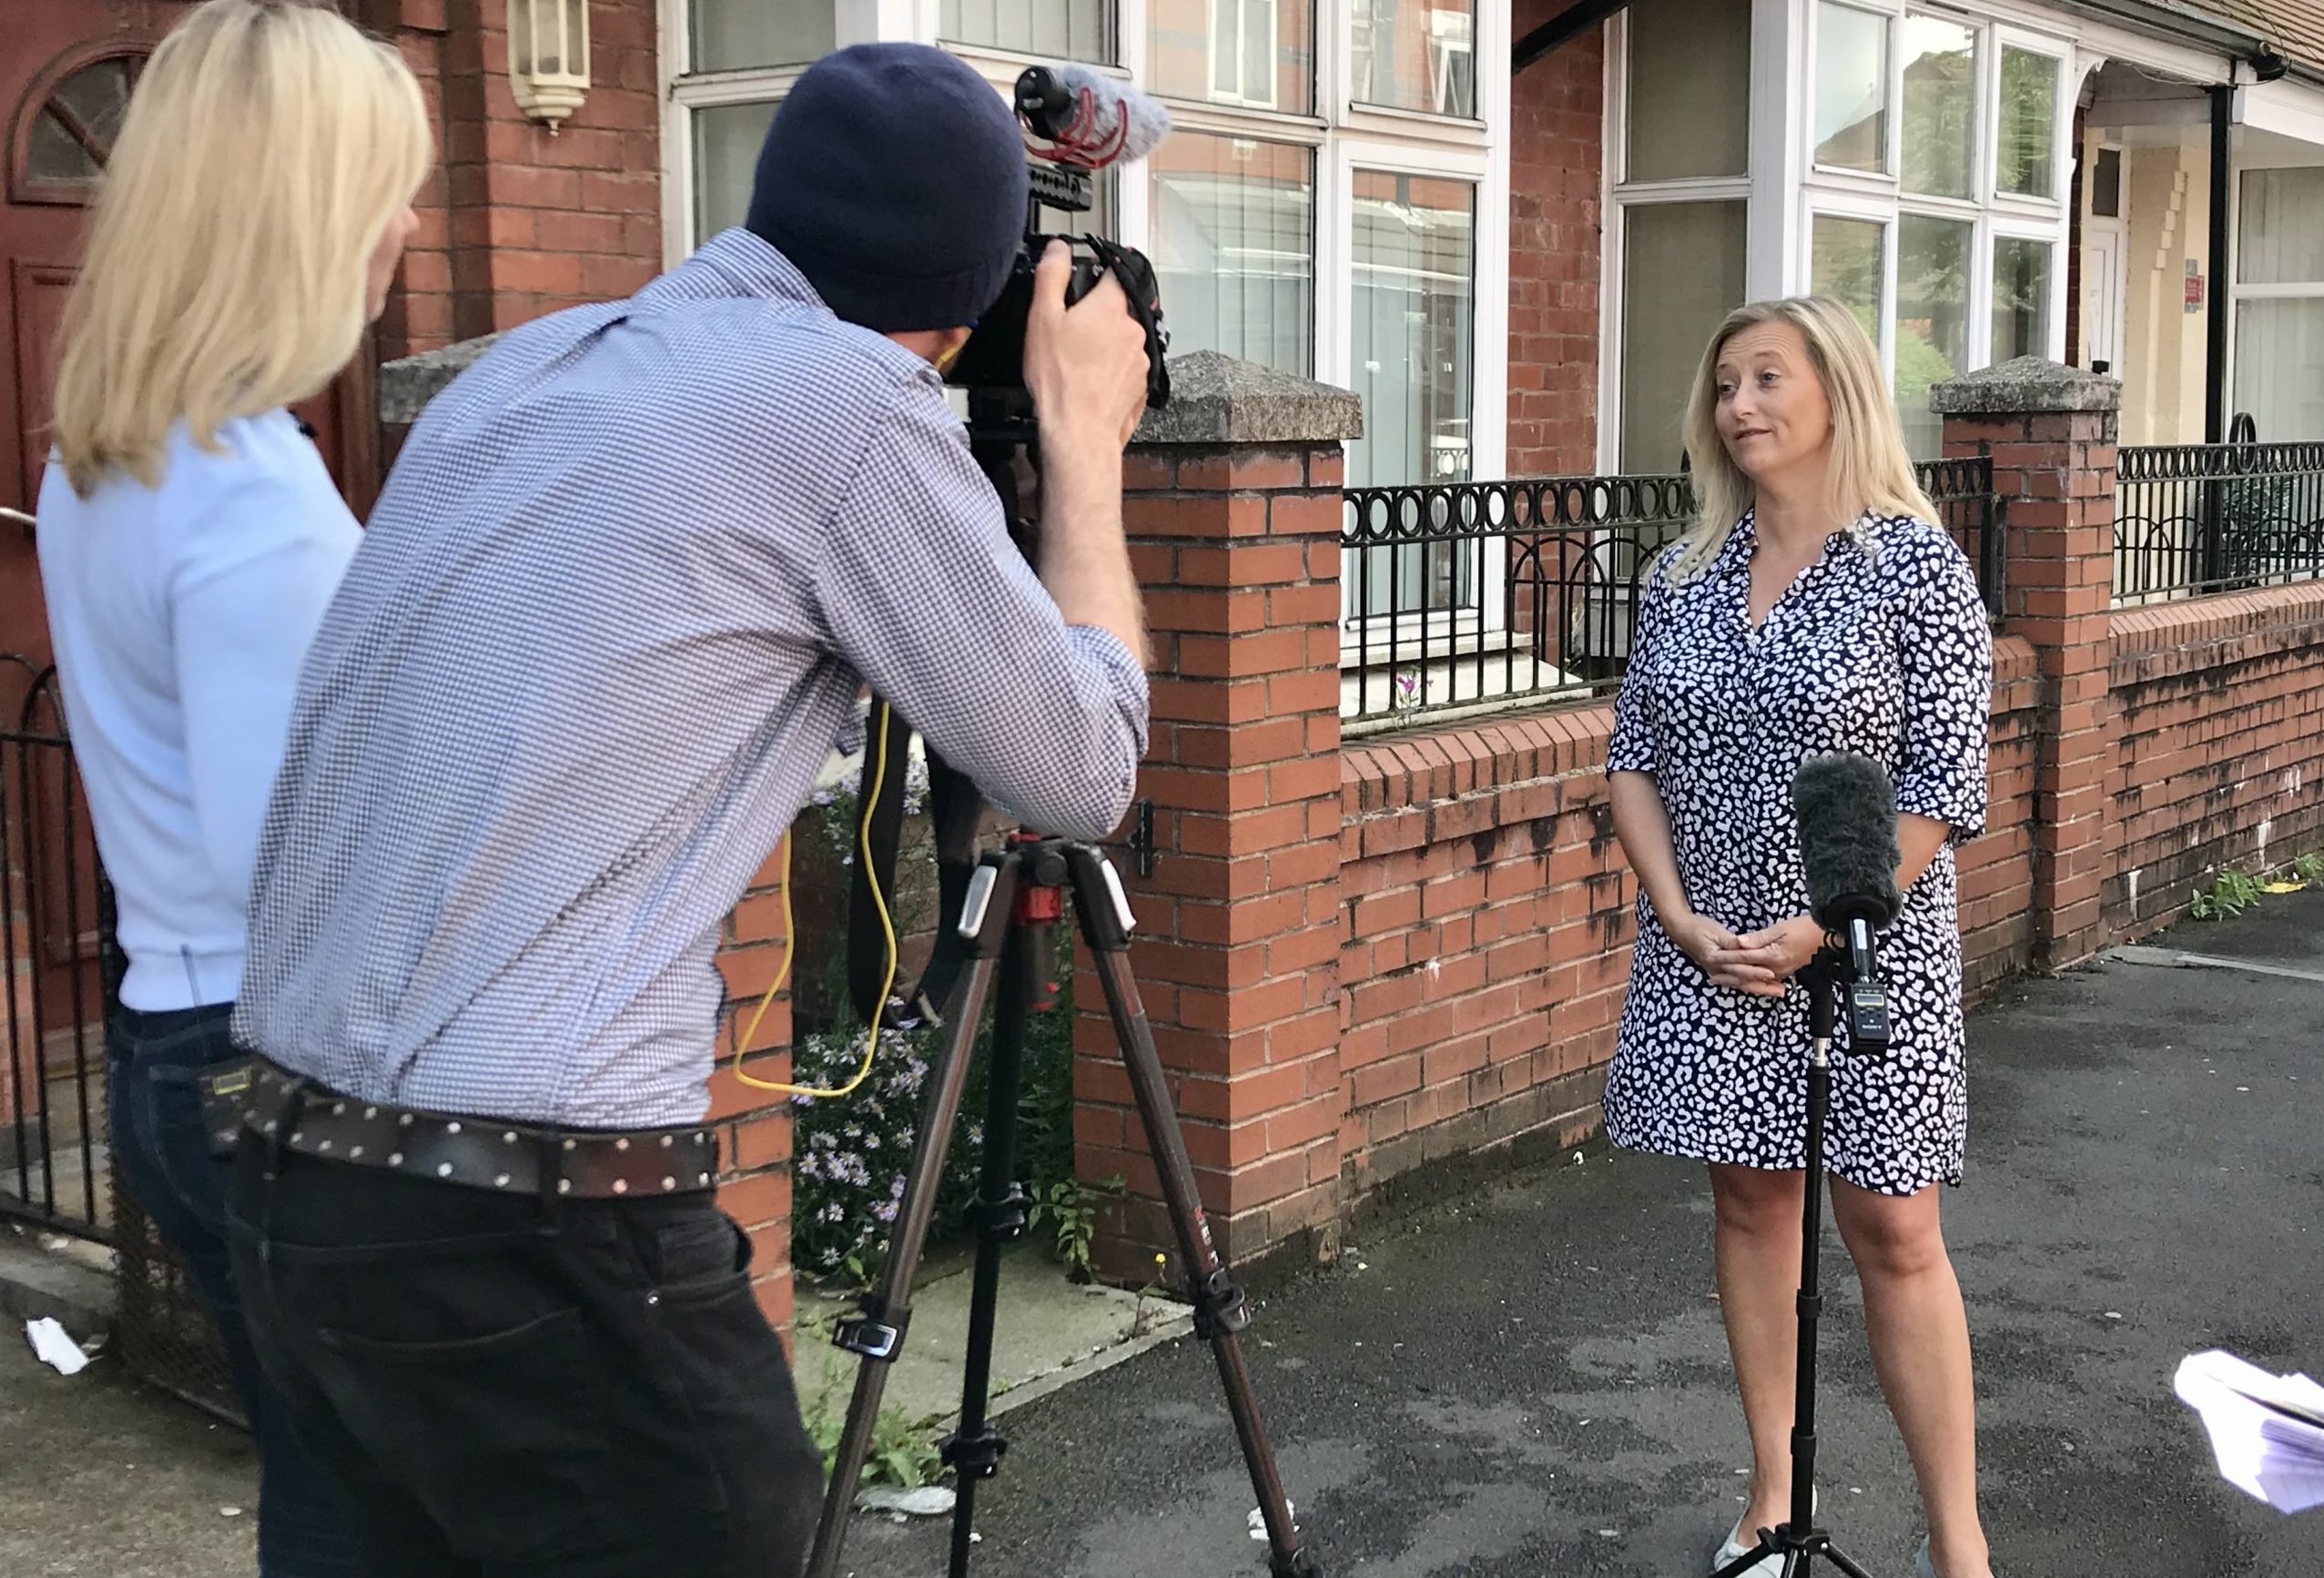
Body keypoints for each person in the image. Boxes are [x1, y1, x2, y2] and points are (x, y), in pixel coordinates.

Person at [219, 43, 1152, 1578]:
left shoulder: (522, 370)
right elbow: (1078, 769)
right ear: (970, 297)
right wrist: (1085, 450)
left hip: (287, 1169)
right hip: (525, 1209)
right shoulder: (847, 400)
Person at [33, 2, 430, 1573]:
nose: (408, 223)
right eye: (387, 182)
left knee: (333, 1495)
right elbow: (308, 876)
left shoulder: (109, 457)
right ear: (306, 209)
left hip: (176, 1038)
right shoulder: (252, 499)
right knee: (391, 1518)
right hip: (284, 1071)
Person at [1603, 298, 1997, 1578]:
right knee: (1749, 1201)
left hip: (1862, 949)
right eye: (1723, 384)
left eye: (1767, 377)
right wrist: (1675, 915)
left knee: (1892, 1230)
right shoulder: (1682, 572)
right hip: (1710, 947)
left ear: (1837, 392)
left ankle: (1957, 1546)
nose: (1738, 406)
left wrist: (1821, 923)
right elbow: (1631, 760)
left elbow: (1943, 779)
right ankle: (1770, 1503)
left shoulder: (1913, 567)